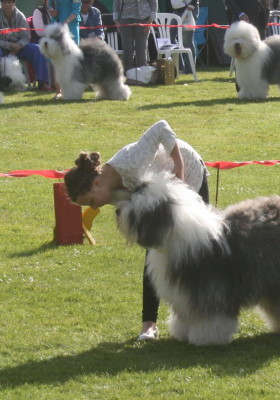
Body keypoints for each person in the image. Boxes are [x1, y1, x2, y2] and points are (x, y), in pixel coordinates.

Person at [63, 120, 210, 341]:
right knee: (154, 254)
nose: (94, 207)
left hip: (188, 174)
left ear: (97, 183)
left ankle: (202, 314)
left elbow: (161, 127)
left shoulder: (129, 160)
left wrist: (178, 168)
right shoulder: (111, 194)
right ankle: (149, 325)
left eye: (91, 201)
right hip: (162, 198)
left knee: (196, 249)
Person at [0, 0, 51, 90]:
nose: (7, 5)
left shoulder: (20, 16)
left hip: (19, 47)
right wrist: (10, 45)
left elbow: (26, 36)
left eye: (9, 2)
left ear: (14, 3)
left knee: (37, 49)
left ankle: (43, 82)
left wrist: (19, 45)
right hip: (3, 47)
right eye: (4, 2)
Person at [113, 0, 157, 73]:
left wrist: (150, 21)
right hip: (124, 20)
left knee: (141, 49)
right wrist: (116, 21)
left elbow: (153, 3)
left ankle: (142, 75)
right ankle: (128, 75)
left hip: (143, 19)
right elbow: (116, 3)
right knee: (127, 50)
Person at [168, 0, 198, 74]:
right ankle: (180, 67)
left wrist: (192, 4)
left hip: (188, 8)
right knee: (171, 38)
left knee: (187, 41)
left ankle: (190, 69)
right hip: (175, 10)